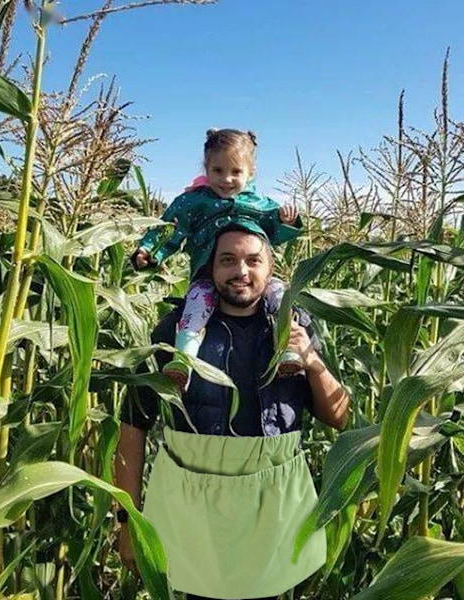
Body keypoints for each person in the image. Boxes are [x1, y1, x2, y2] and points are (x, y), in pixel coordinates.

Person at [116, 226, 350, 600]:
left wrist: (314, 364)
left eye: (253, 260)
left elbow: (339, 416)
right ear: (210, 268)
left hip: (272, 516)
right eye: (228, 260)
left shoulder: (295, 328)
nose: (241, 271)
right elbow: (133, 428)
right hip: (195, 518)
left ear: (270, 269)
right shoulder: (174, 334)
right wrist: (127, 525)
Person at [133, 128, 303, 391]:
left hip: (256, 279)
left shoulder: (260, 203)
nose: (226, 180)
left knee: (281, 297)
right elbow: (170, 229)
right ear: (206, 168)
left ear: (251, 172)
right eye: (218, 171)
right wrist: (149, 251)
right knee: (195, 304)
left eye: (236, 172)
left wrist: (286, 222)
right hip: (207, 273)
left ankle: (286, 350)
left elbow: (275, 232)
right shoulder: (193, 202)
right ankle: (183, 361)